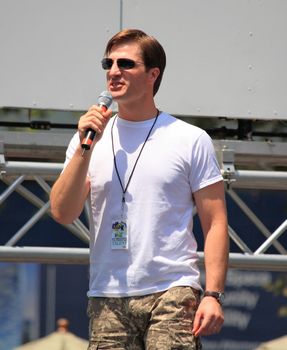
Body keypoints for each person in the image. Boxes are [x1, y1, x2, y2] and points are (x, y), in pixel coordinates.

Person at [50, 28, 229, 350]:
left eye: (125, 64)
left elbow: (215, 221)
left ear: (152, 74)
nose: (114, 71)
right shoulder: (87, 138)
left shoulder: (189, 138)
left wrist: (213, 294)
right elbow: (63, 212)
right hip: (107, 293)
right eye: (108, 63)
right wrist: (84, 147)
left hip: (173, 289)